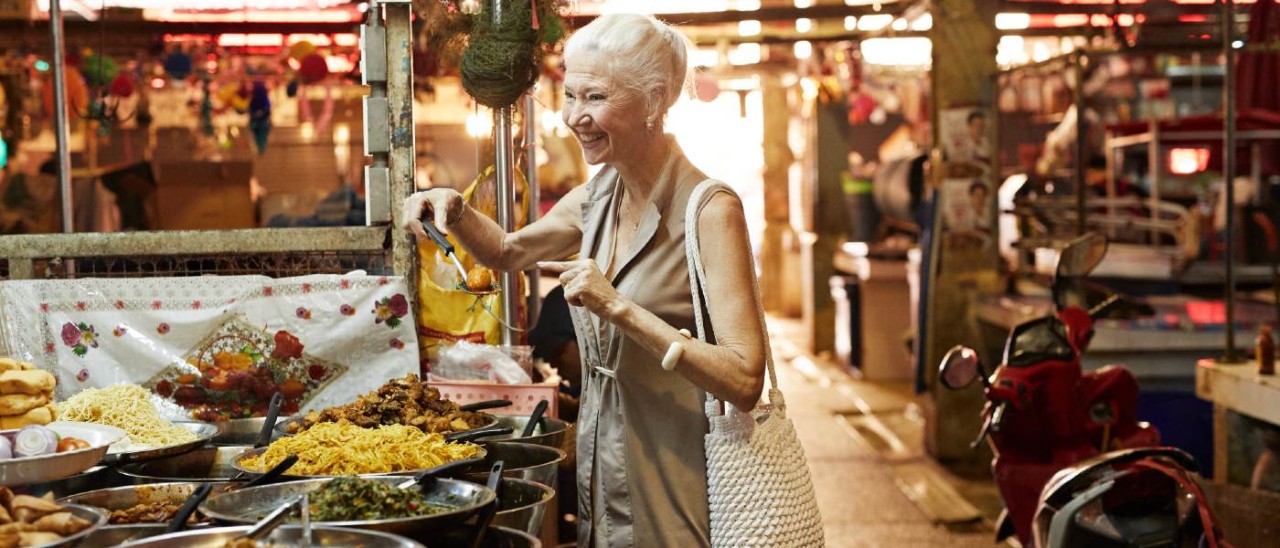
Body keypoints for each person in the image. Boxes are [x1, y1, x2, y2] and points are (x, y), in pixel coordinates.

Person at [401, 13, 767, 547]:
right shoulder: (599, 196)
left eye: (594, 98)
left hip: (675, 460)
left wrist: (618, 306)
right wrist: (453, 209)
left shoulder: (709, 209)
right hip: (602, 449)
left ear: (655, 99)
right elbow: (508, 251)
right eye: (570, 95)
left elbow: (744, 379)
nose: (575, 117)